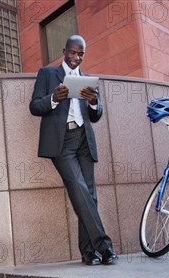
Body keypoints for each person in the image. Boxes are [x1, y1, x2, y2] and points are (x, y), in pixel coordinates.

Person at [29, 35, 118, 265]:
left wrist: (94, 102)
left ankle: (88, 253)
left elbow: (95, 117)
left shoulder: (87, 79)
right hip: (61, 142)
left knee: (89, 196)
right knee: (79, 189)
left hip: (84, 141)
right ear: (64, 50)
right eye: (73, 52)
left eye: (81, 54)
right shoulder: (47, 74)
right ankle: (104, 246)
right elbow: (34, 106)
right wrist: (53, 99)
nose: (77, 57)